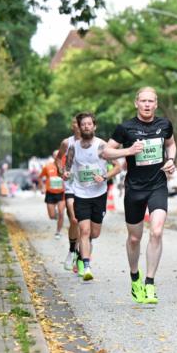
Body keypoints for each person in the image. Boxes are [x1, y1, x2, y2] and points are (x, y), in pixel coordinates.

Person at [102, 87, 177, 304]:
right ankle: (135, 276)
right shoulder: (125, 127)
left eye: (150, 101)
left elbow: (171, 143)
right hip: (134, 189)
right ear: (136, 103)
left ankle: (150, 283)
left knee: (156, 231)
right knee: (135, 238)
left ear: (156, 104)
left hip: (158, 185)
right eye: (143, 101)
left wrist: (171, 160)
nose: (146, 105)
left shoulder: (164, 125)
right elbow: (106, 151)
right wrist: (128, 151)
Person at [64, 112, 122, 281]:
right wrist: (66, 174)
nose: (87, 127)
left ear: (94, 126)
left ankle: (80, 252)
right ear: (79, 127)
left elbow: (118, 167)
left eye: (89, 124)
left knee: (94, 234)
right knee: (84, 230)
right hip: (80, 194)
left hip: (99, 194)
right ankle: (86, 265)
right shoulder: (73, 147)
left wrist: (104, 177)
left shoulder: (102, 146)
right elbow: (67, 168)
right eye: (83, 124)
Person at [56, 117, 82, 272]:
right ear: (72, 126)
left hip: (89, 188)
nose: (78, 125)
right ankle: (72, 250)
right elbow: (59, 159)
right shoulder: (67, 142)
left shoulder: (95, 143)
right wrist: (61, 171)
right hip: (71, 186)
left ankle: (81, 255)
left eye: (81, 122)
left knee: (88, 228)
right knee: (74, 219)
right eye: (75, 123)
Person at [39, 151, 66, 238]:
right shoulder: (48, 166)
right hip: (50, 193)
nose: (58, 157)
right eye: (56, 155)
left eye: (59, 155)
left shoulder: (65, 167)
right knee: (52, 216)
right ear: (53, 156)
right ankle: (56, 215)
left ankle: (58, 232)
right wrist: (42, 187)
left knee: (61, 213)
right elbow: (40, 177)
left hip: (61, 193)